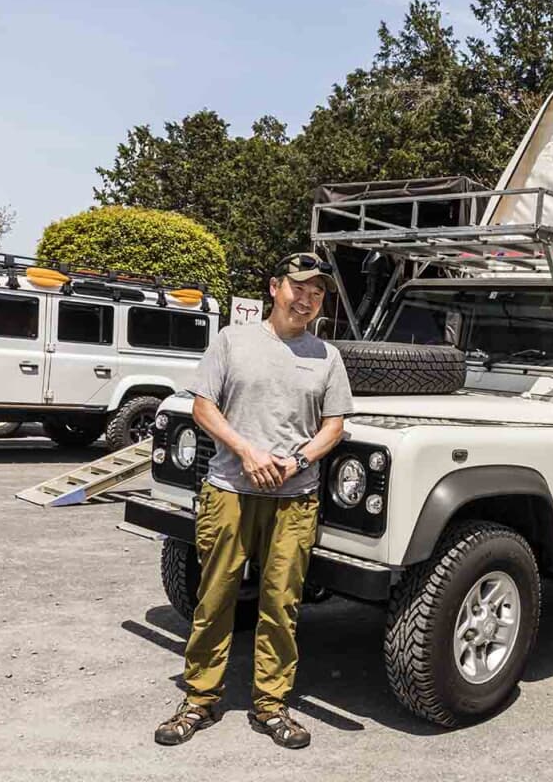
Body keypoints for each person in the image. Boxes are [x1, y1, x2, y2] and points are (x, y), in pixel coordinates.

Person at [154, 252, 353, 749]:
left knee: (281, 605)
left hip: (294, 498)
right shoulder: (232, 341)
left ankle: (272, 705)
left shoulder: (327, 357)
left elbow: (334, 426)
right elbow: (203, 407)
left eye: (317, 293)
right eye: (298, 287)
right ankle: (199, 699)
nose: (307, 299)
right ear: (274, 288)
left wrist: (299, 460)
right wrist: (246, 451)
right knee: (214, 599)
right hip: (229, 490)